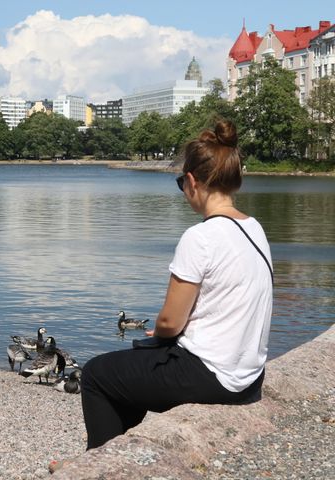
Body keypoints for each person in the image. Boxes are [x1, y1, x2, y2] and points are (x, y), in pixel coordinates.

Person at [80, 120, 273, 450]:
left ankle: (96, 463)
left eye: (180, 181)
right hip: (249, 376)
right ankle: (122, 452)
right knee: (132, 370)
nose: (183, 189)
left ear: (193, 182)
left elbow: (169, 321)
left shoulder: (201, 236)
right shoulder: (254, 228)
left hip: (213, 376)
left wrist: (166, 333)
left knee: (97, 374)